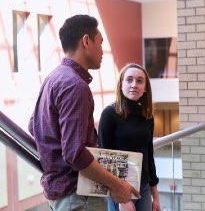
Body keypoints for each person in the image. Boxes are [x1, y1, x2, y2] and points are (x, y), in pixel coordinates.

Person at [28, 14, 140, 211]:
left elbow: (33, 126)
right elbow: (75, 154)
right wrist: (117, 185)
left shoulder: (53, 78)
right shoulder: (75, 86)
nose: (103, 50)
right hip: (79, 198)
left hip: (63, 194)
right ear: (86, 41)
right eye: (100, 42)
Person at [98, 63, 161, 211]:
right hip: (119, 189)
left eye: (140, 81)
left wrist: (156, 197)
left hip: (143, 188)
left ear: (145, 88)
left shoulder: (147, 117)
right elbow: (103, 160)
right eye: (129, 80)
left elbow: (149, 157)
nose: (134, 85)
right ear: (121, 84)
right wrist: (120, 198)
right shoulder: (109, 114)